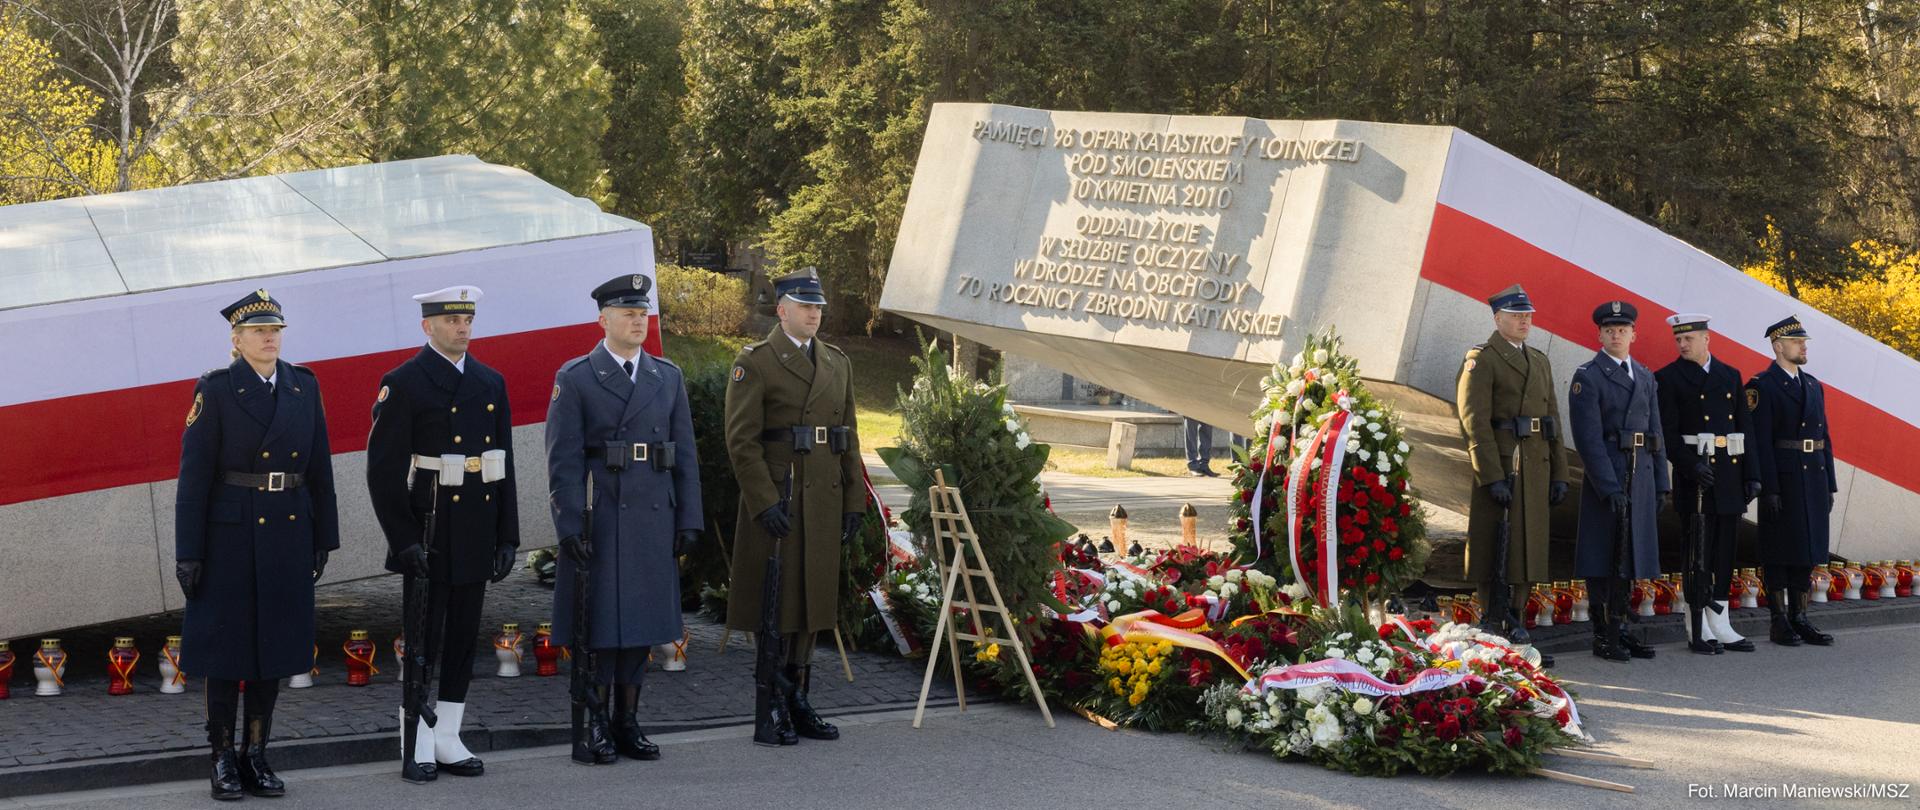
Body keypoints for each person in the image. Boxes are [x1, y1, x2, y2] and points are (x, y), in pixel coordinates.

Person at [175, 289, 338, 800]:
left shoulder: (301, 385)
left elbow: (319, 468)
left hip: (288, 528)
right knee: (227, 650)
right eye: (259, 331)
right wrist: (189, 551)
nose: (270, 337)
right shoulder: (217, 389)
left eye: (276, 330)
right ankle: (222, 757)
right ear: (237, 339)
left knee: (274, 647)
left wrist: (323, 537)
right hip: (229, 534)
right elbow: (194, 477)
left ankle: (256, 754)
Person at [546, 273, 703, 764]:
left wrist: (689, 519)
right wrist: (569, 526)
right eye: (628, 314)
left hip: (654, 516)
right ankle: (594, 723)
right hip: (605, 516)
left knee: (640, 626)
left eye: (643, 314)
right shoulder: (576, 377)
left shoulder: (666, 375)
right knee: (600, 627)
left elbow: (685, 455)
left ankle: (627, 721)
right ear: (603, 320)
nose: (638, 321)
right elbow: (563, 461)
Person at [366, 286, 520, 782]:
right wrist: (403, 538)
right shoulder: (405, 382)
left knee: (461, 640)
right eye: (451, 320)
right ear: (427, 326)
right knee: (424, 638)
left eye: (467, 319)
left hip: (477, 521)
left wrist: (507, 536)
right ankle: (416, 737)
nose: (462, 328)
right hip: (431, 525)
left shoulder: (490, 381)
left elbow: (504, 465)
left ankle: (450, 734)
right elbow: (383, 471)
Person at [723, 268, 866, 746]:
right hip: (780, 501)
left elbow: (848, 437)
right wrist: (763, 503)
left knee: (811, 606)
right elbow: (741, 442)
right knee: (777, 606)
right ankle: (772, 706)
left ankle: (800, 699)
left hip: (822, 500)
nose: (815, 313)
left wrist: (853, 502)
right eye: (806, 306)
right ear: (782, 309)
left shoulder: (837, 362)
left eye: (819, 306)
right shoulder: (757, 362)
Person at [1455, 284, 1569, 659]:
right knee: (1496, 544)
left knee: (1528, 545)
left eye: (1528, 316)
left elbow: (1552, 419)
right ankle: (1493, 619)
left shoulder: (1539, 360)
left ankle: (1518, 619)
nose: (1524, 321)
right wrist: (1490, 474)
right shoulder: (1483, 359)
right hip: (1503, 464)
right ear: (1498, 318)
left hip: (1535, 464)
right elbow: (1474, 421)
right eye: (1517, 315)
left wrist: (1560, 473)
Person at [1569, 300, 1670, 662]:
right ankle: (1603, 632)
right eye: (1609, 330)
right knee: (1603, 555)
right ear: (1599, 334)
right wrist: (1608, 486)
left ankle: (1621, 629)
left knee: (1631, 554)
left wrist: (1662, 482)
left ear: (1633, 334)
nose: (1616, 335)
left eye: (1622, 330)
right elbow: (1588, 439)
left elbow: (1656, 433)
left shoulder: (1644, 375)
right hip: (1608, 476)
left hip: (1640, 474)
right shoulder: (1588, 375)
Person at [1654, 313, 1761, 655]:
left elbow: (1745, 430)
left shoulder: (1730, 376)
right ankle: (1696, 622)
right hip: (1694, 476)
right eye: (1678, 340)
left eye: (1689, 338)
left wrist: (1752, 474)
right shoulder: (1668, 378)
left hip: (1728, 473)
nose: (1682, 345)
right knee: (1697, 552)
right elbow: (1667, 434)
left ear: (1706, 338)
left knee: (1724, 550)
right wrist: (1689, 466)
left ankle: (1721, 619)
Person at [1744, 316, 1836, 647]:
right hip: (1782, 480)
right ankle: (1779, 620)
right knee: (1780, 551)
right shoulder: (1762, 386)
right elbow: (1758, 441)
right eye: (1798, 342)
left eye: (1804, 342)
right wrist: (1768, 486)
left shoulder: (1812, 385)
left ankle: (1800, 617)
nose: (1804, 346)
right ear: (1779, 346)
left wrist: (1831, 484)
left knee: (1807, 550)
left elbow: (1824, 436)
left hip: (1813, 477)